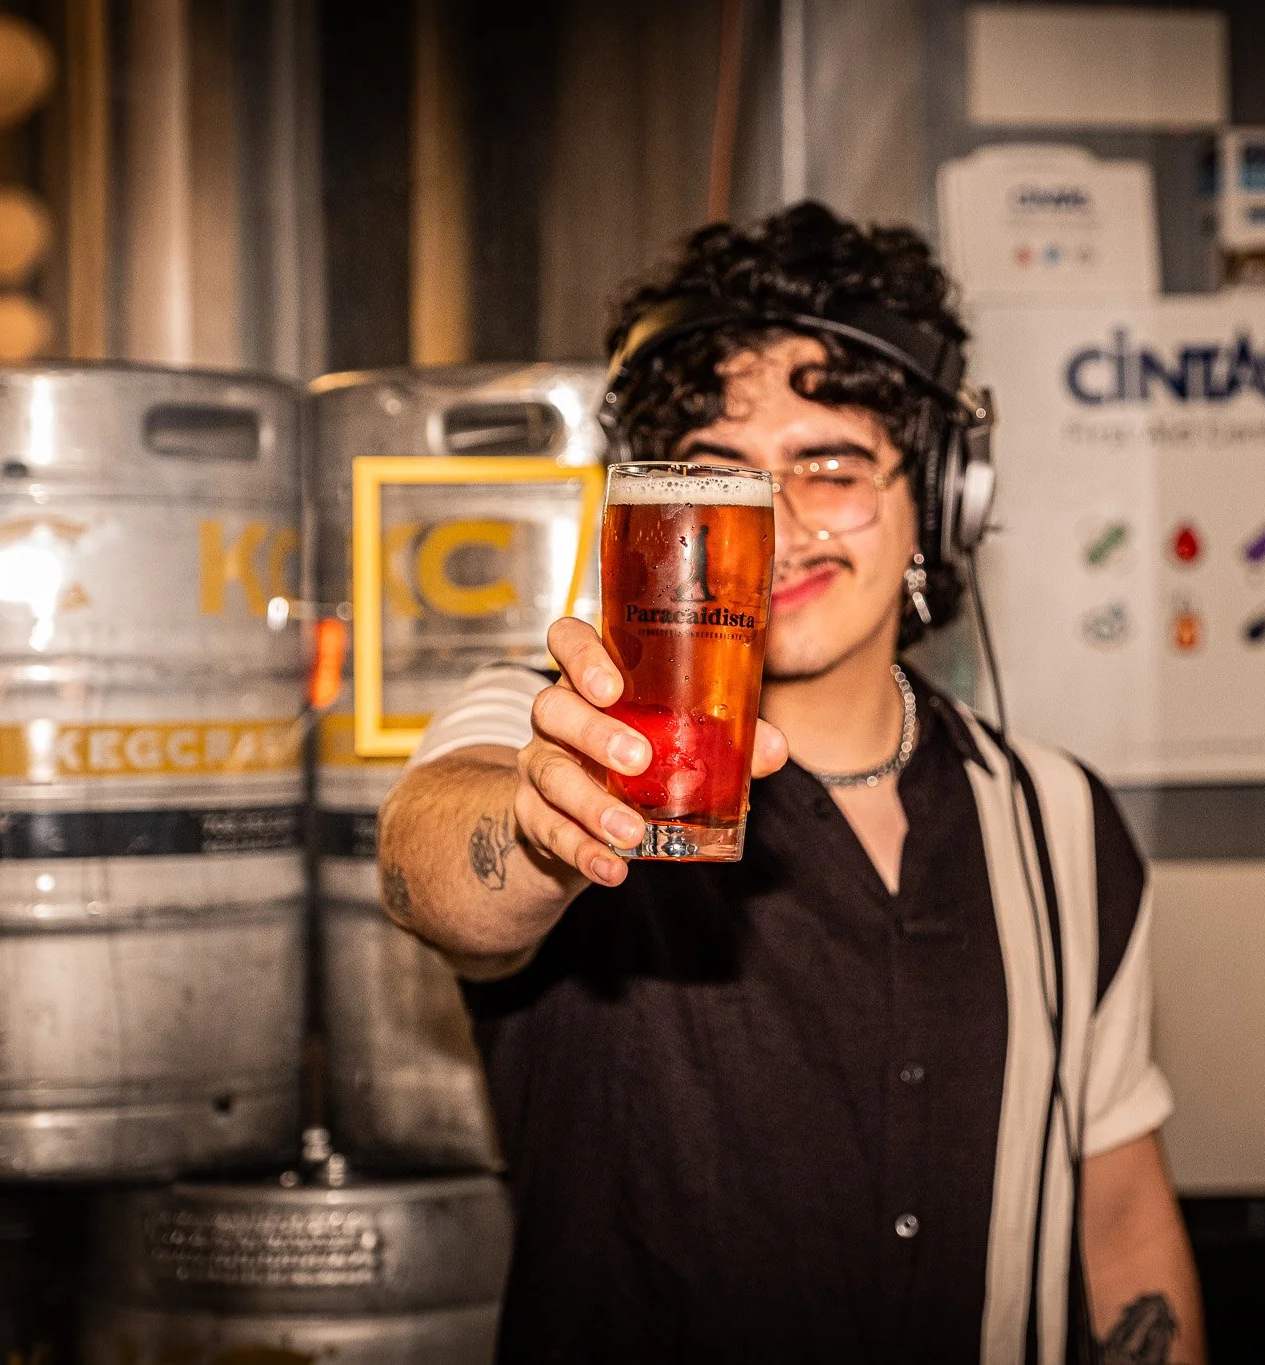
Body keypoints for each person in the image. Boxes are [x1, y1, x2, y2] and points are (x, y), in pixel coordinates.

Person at [376, 202, 1205, 1365]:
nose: (771, 524)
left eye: (829, 464)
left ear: (940, 502)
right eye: (721, 474)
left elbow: (1118, 1225)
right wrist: (532, 828)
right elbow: (429, 867)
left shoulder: (1057, 820)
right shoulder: (563, 734)